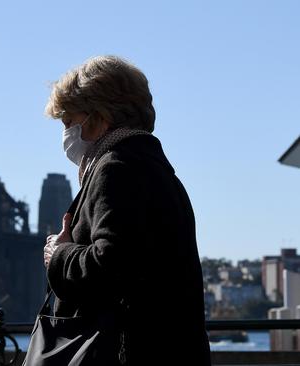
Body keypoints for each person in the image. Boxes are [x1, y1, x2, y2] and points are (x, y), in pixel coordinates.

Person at [42, 56, 211, 365]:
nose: (66, 133)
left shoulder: (118, 168)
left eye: (69, 121)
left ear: (99, 116)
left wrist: (60, 254)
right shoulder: (156, 170)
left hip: (126, 353)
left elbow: (114, 265)